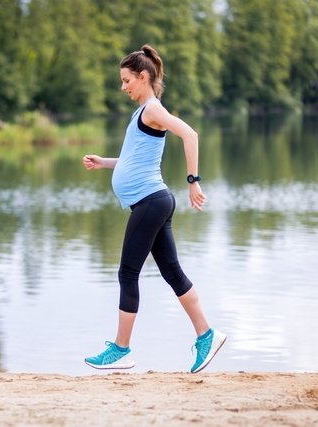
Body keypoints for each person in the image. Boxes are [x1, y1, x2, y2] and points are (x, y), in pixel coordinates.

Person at [82, 44, 226, 373]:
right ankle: (207, 334)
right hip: (154, 201)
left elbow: (190, 134)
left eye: (126, 80)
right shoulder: (142, 112)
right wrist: (105, 163)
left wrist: (193, 180)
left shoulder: (153, 110)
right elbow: (133, 161)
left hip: (151, 201)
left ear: (143, 77)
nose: (123, 87)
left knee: (127, 273)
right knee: (172, 273)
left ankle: (121, 350)